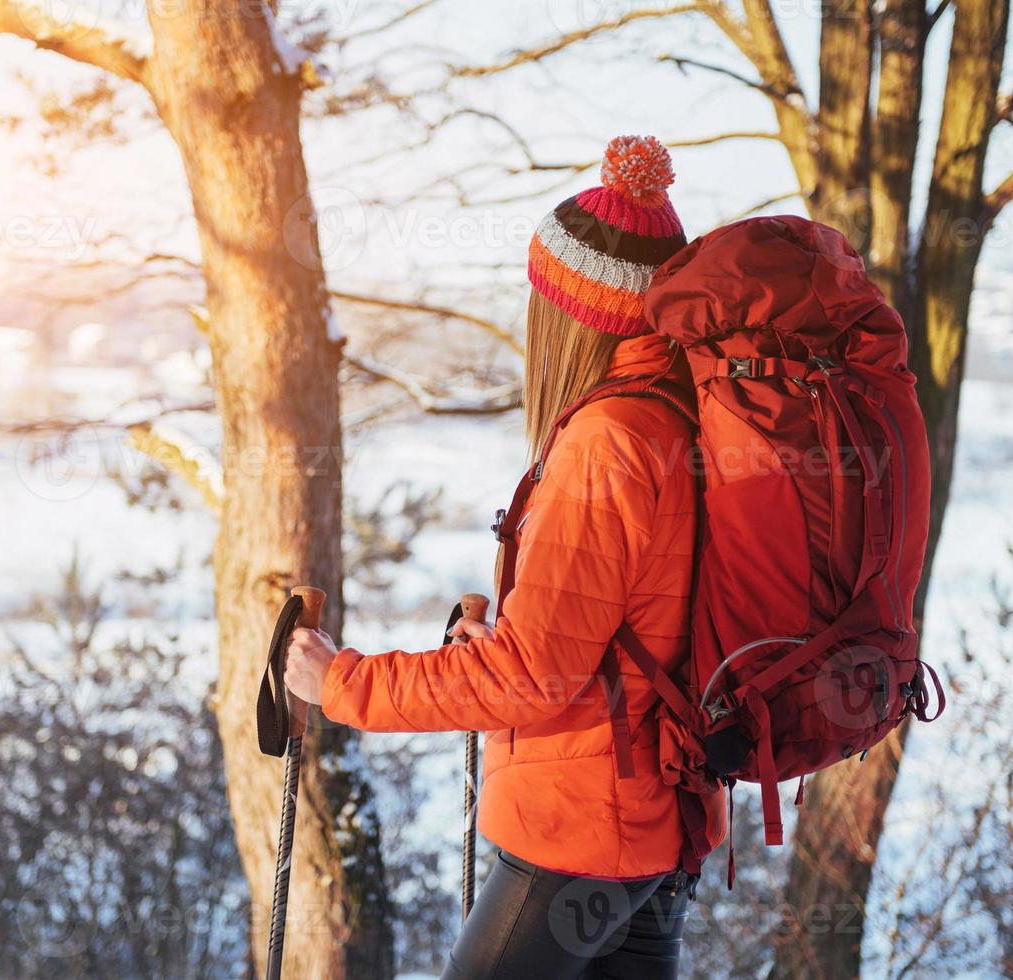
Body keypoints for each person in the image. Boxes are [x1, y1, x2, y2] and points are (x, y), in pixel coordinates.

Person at [285, 135, 718, 979]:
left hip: (583, 833)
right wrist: (504, 646)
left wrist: (339, 682)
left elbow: (534, 679)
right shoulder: (677, 418)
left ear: (569, 313)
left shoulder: (608, 444)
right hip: (658, 823)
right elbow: (609, 639)